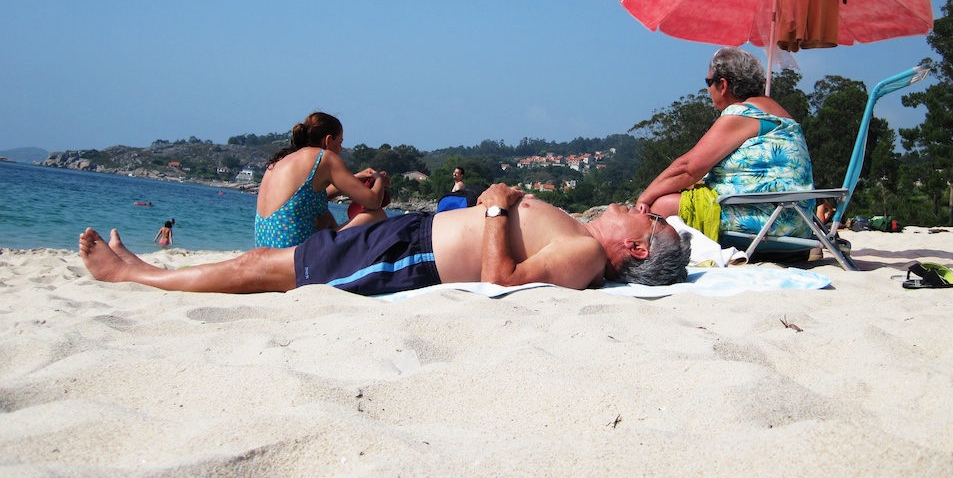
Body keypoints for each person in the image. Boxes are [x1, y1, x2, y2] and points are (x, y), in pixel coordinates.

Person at [79, 184, 690, 295]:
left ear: (637, 249)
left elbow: (498, 280)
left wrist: (497, 211)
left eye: (652, 221)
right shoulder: (580, 234)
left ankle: (136, 275)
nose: (641, 209)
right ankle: (144, 270)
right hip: (409, 235)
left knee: (264, 268)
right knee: (266, 260)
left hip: (408, 256)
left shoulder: (585, 255)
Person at [635, 47, 815, 240]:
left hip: (770, 223)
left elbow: (687, 168)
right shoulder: (777, 112)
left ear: (723, 85)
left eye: (708, 82)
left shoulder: (741, 114)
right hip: (797, 220)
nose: (707, 88)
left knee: (662, 206)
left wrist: (645, 197)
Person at [255, 112, 391, 248]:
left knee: (325, 216)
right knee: (376, 215)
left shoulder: (282, 160)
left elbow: (308, 198)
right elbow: (373, 201)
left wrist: (355, 179)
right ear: (328, 140)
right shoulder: (324, 158)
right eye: (339, 143)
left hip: (267, 248)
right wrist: (379, 179)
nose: (340, 149)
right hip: (295, 253)